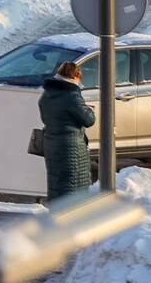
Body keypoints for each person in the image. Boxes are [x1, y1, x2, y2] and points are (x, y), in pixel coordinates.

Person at [38, 61, 95, 202]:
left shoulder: (46, 95)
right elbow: (89, 120)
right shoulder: (72, 97)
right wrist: (90, 110)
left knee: (56, 184)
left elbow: (46, 118)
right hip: (71, 149)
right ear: (75, 76)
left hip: (51, 145)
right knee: (72, 188)